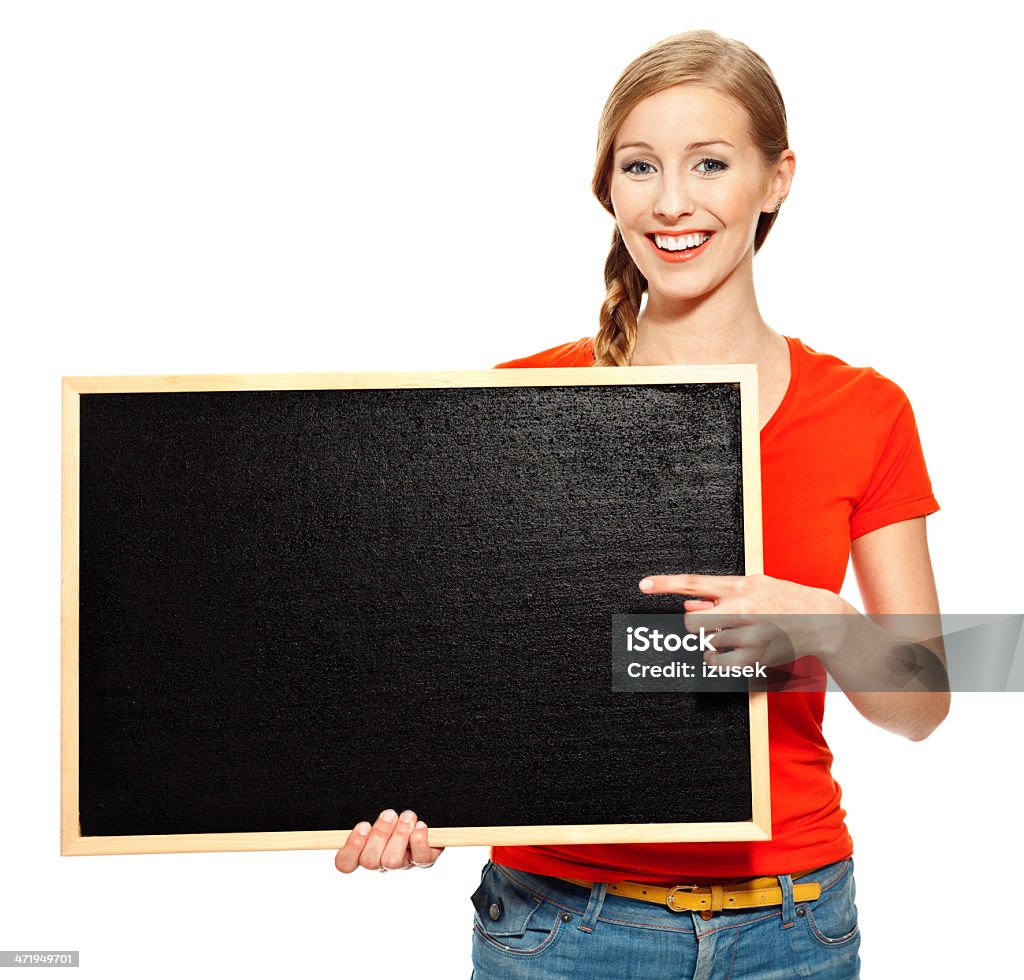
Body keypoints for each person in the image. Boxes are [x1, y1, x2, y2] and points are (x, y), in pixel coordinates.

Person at [334, 29, 948, 978]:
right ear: (607, 188)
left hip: (794, 924)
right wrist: (409, 803)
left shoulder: (865, 410)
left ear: (777, 179)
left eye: (710, 163)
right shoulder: (515, 402)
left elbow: (925, 697)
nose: (671, 202)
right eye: (639, 167)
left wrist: (826, 623)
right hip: (558, 927)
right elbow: (451, 669)